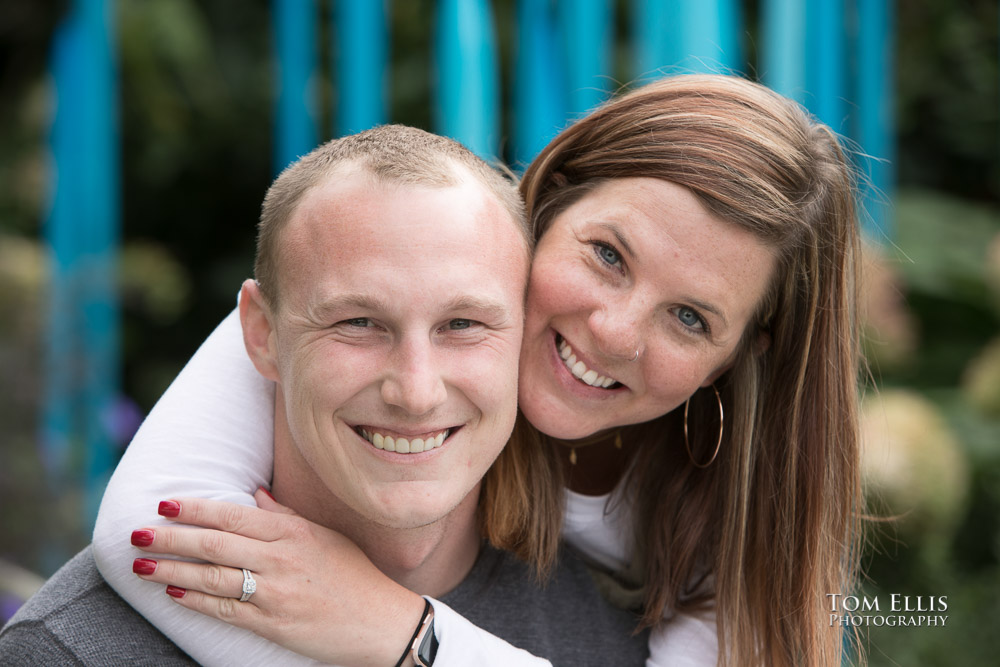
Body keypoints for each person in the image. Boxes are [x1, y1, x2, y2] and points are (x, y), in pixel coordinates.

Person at [94, 74, 863, 667]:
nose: (614, 331)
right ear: (547, 204)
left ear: (742, 353)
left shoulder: (732, 517)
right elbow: (146, 534)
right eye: (607, 255)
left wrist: (404, 633)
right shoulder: (385, 278)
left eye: (691, 318)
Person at [0, 126, 650, 666]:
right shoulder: (70, 652)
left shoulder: (610, 639)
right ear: (261, 333)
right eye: (358, 322)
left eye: (463, 324)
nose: (416, 391)